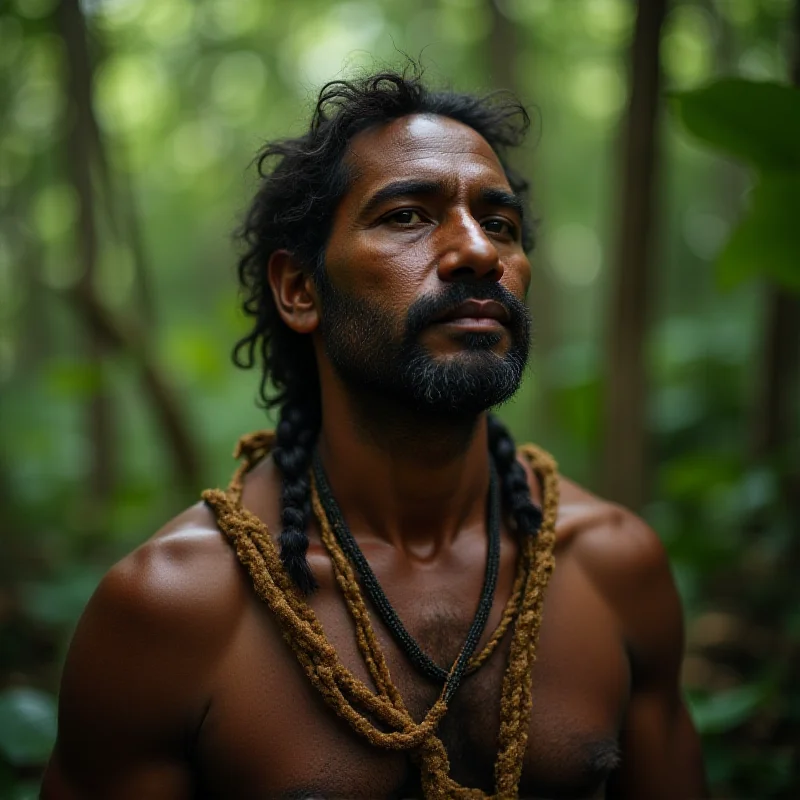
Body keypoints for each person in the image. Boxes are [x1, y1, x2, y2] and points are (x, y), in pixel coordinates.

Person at [42, 66, 707, 799]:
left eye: (500, 224)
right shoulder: (174, 609)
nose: (478, 252)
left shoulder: (614, 567)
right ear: (300, 289)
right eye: (407, 216)